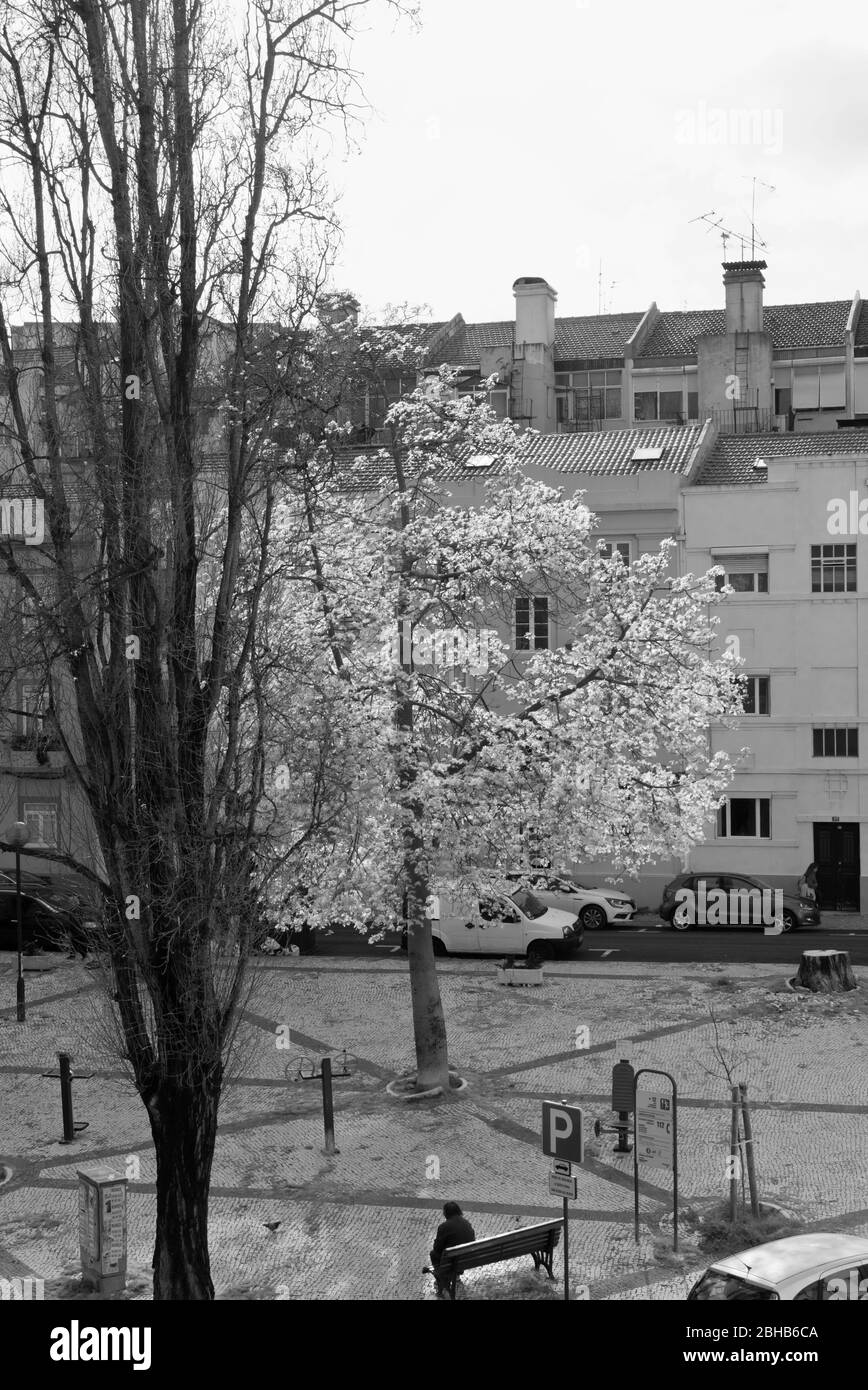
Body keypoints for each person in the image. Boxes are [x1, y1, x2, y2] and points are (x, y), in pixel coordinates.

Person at [429, 1201, 475, 1298]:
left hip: (451, 1261)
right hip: (466, 1259)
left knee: (433, 1254)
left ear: (446, 1213)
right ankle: (457, 1275)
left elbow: (437, 1249)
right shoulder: (467, 1223)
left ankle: (442, 1278)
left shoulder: (444, 1227)